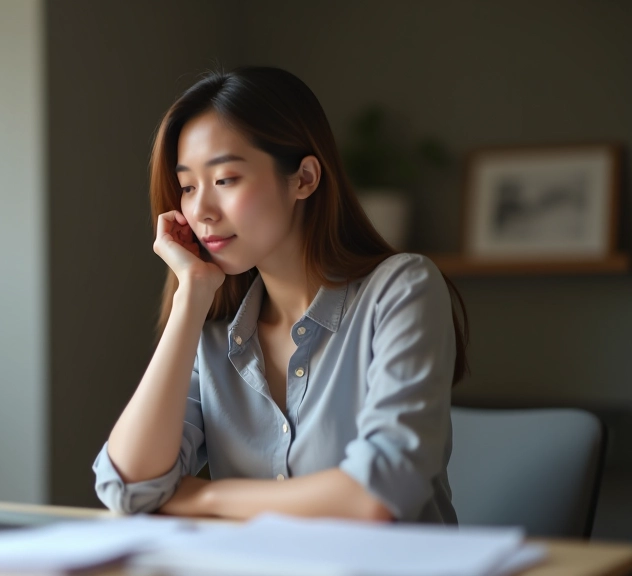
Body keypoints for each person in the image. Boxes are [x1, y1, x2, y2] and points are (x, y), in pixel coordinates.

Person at [92, 67, 468, 524]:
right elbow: (128, 486)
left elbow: (378, 495)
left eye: (225, 179)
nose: (202, 211)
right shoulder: (213, 332)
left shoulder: (401, 289)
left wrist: (202, 498)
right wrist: (191, 296)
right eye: (188, 187)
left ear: (304, 178)